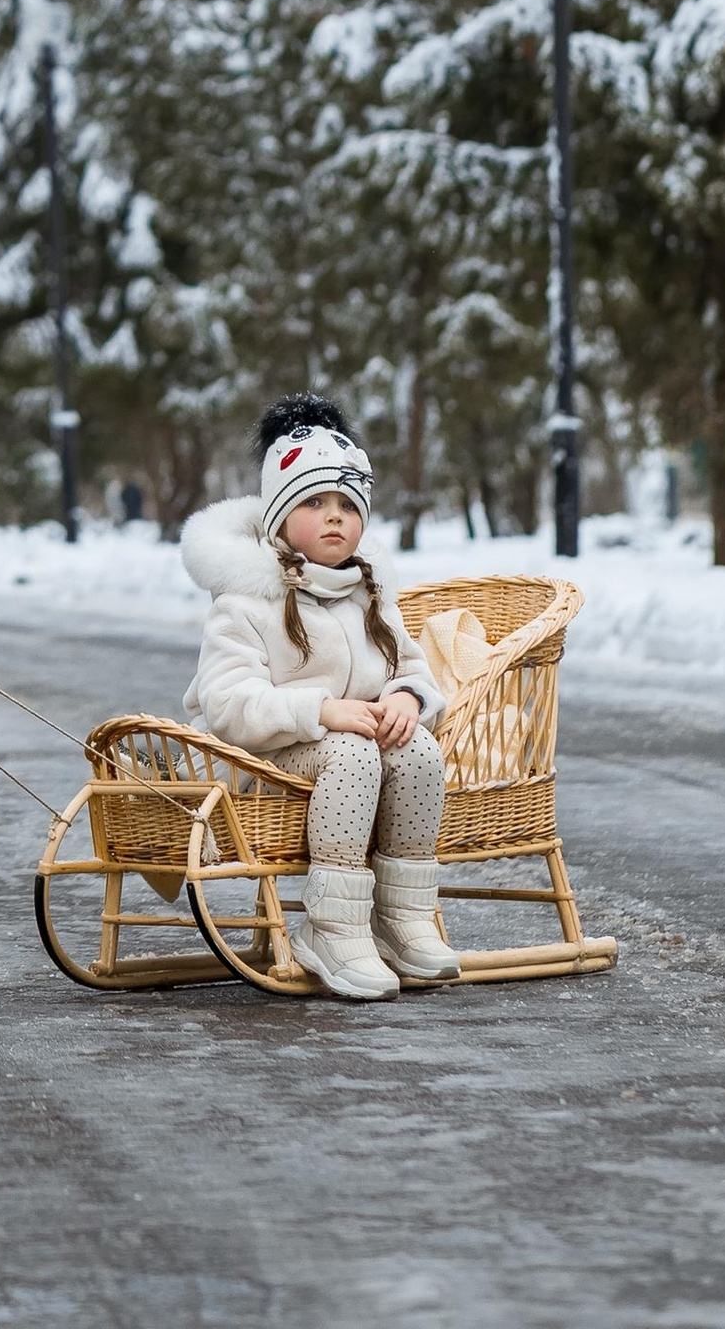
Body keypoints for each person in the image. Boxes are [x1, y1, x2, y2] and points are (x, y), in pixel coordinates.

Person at [179, 393, 458, 999]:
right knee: (353, 752)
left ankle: (402, 916)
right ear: (278, 518)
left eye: (347, 506)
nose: (335, 518)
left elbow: (413, 667)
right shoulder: (245, 600)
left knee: (417, 752)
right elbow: (226, 704)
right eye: (313, 503)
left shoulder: (367, 592)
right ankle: (333, 924)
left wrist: (409, 698)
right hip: (269, 759)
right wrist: (321, 711)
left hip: (346, 749)